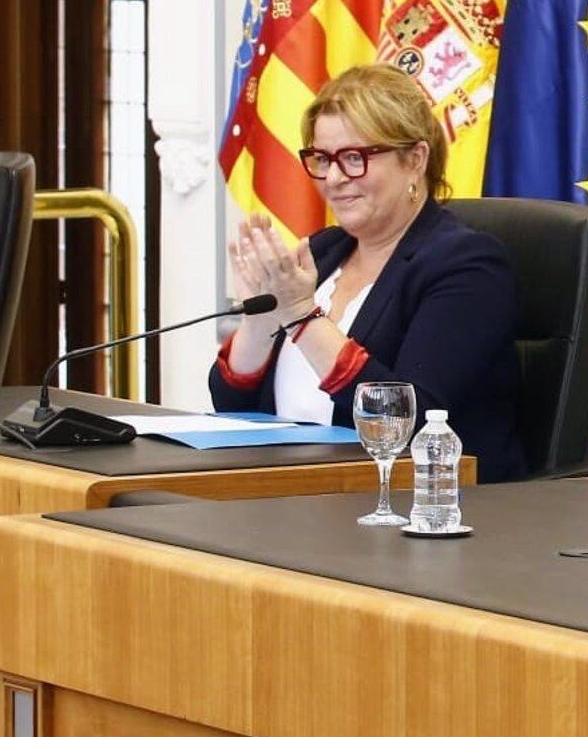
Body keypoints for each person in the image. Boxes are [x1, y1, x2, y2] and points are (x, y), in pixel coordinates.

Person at [210, 63, 527, 482]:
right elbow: (231, 405)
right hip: (293, 497)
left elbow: (405, 422)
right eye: (322, 159)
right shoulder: (323, 252)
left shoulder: (468, 266)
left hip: (420, 510)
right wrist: (262, 316)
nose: (336, 178)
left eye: (355, 157)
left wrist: (302, 316)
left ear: (415, 159)